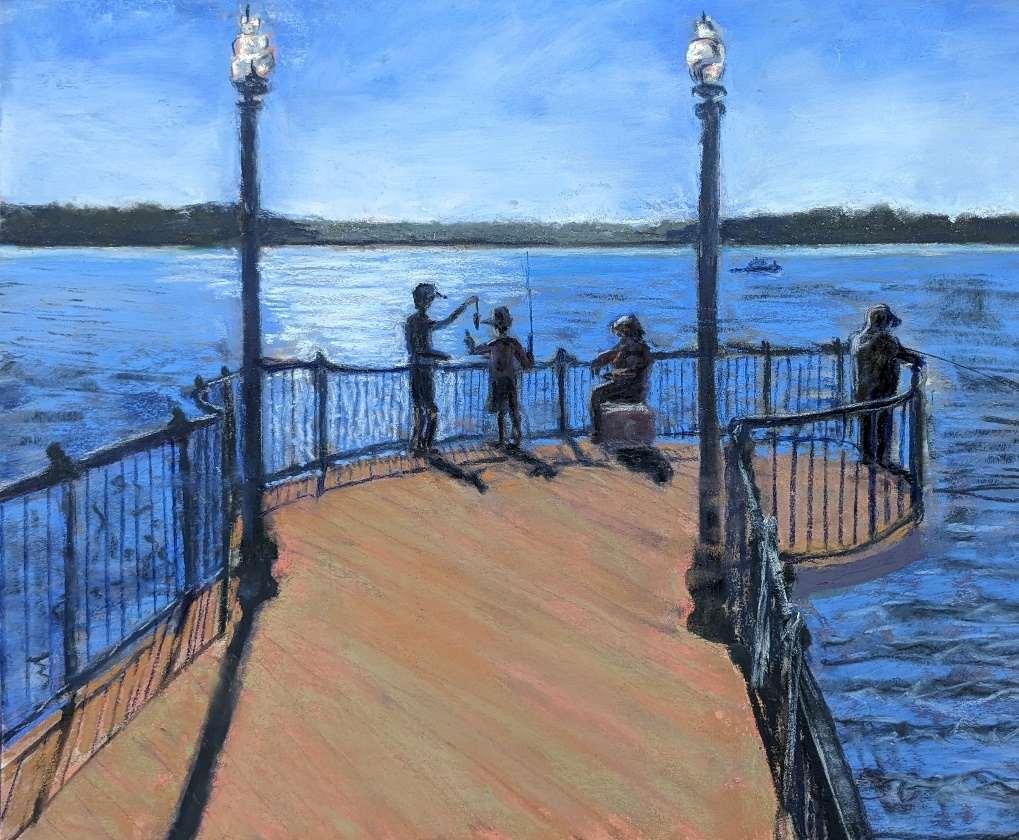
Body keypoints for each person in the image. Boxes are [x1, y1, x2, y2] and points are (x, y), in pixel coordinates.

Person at [405, 283, 479, 454]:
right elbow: (424, 349)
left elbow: (414, 350)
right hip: (424, 370)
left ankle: (417, 445)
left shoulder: (410, 321)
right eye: (430, 300)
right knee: (431, 409)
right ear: (425, 301)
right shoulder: (423, 322)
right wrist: (442, 356)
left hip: (414, 369)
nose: (431, 303)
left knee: (418, 409)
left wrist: (465, 305)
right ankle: (426, 445)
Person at [851, 303, 924, 466]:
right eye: (888, 322)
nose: (890, 326)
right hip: (883, 391)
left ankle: (867, 458)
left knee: (866, 426)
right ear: (883, 322)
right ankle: (882, 461)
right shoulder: (886, 339)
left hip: (862, 391)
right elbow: (904, 355)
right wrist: (918, 360)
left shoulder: (858, 339)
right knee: (883, 426)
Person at [464, 306, 533, 447]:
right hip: (510, 380)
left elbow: (473, 350)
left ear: (495, 328)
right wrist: (530, 356)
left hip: (497, 381)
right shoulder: (513, 343)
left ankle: (502, 440)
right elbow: (527, 364)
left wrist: (470, 340)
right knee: (513, 409)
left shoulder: (492, 344)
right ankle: (516, 439)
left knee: (501, 411)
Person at [589, 314, 653, 444]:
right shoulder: (629, 344)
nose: (619, 335)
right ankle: (602, 432)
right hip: (626, 386)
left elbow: (631, 372)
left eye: (621, 331)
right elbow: (614, 353)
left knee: (596, 394)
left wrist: (613, 374)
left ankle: (597, 433)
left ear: (627, 330)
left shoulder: (635, 347)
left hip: (631, 389)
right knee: (598, 394)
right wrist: (601, 359)